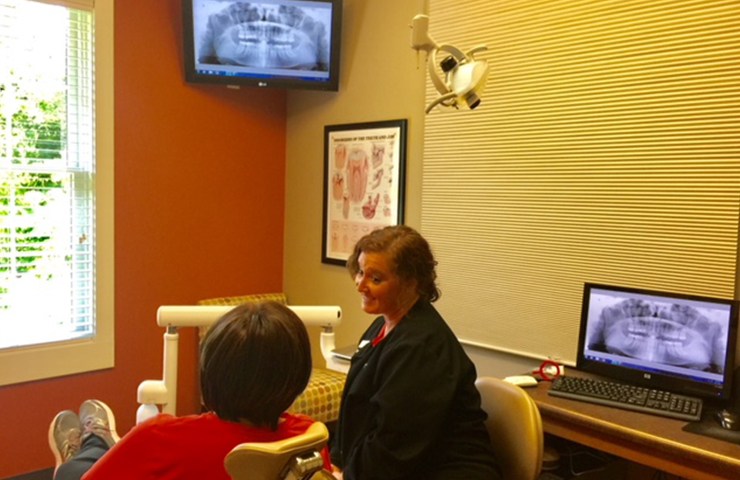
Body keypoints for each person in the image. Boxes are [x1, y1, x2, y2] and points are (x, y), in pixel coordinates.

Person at [48, 300, 331, 480]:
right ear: (297, 376)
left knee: (74, 471)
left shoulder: (161, 437)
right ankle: (100, 442)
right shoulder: (308, 439)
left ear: (210, 372)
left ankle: (88, 448)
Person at [330, 225, 502, 480]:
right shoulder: (384, 324)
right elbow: (363, 414)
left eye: (375, 279)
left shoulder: (420, 348)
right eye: (361, 272)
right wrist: (338, 463)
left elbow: (394, 445)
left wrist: (348, 476)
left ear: (412, 283)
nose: (360, 285)